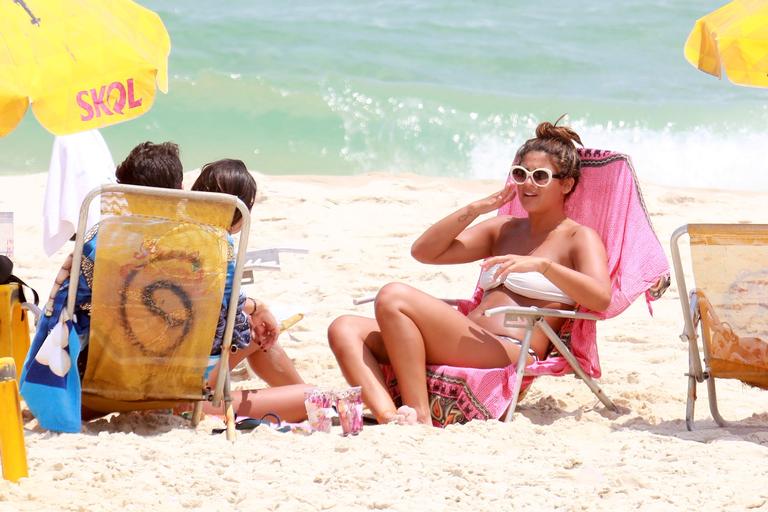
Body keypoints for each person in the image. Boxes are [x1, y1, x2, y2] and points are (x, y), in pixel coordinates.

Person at [327, 120, 612, 425]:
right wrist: (477, 208)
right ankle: (391, 418)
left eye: (540, 177)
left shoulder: (578, 238)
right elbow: (424, 252)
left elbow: (601, 298)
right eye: (521, 174)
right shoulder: (505, 229)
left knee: (393, 296)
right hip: (468, 336)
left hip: (508, 347)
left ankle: (420, 415)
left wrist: (543, 266)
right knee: (345, 328)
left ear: (566, 184)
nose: (528, 184)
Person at [191, 158, 310, 421]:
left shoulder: (169, 240)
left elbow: (211, 297)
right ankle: (308, 399)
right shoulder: (216, 246)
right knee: (309, 396)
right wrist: (257, 309)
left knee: (257, 332)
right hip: (190, 391)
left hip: (154, 369)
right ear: (240, 209)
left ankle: (303, 395)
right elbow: (221, 303)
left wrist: (256, 309)